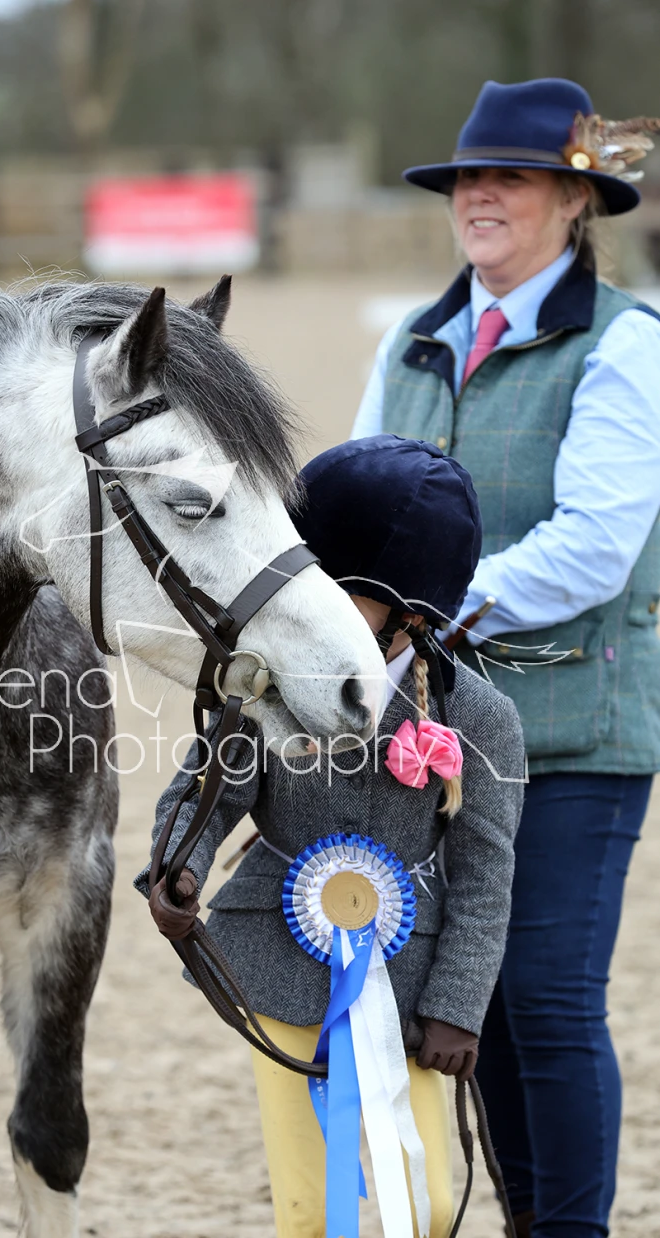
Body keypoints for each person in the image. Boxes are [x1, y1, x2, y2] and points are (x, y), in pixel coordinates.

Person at [351, 77, 660, 1238]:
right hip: (445, 735)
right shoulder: (414, 340)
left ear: (575, 201)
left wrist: (424, 608)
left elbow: (594, 545)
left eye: (511, 178)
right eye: (467, 178)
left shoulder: (627, 347)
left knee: (547, 992)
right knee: (470, 992)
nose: (479, 195)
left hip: (580, 726)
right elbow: (358, 501)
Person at [136, 435, 525, 1238]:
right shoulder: (266, 685)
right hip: (274, 962)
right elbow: (207, 792)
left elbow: (485, 874)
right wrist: (177, 865)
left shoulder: (481, 719)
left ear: (410, 615)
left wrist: (458, 1007)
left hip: (410, 984)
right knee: (308, 1208)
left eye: (335, 594)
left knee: (428, 1208)